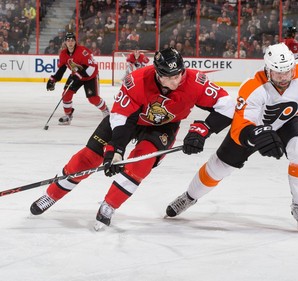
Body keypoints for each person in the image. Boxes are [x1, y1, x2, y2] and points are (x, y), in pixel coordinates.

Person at [164, 43, 298, 233]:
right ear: (267, 70)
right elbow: (240, 127)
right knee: (219, 167)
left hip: (288, 121)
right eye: (277, 74)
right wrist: (256, 136)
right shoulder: (252, 87)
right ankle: (189, 196)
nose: (284, 78)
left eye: (287, 72)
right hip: (254, 128)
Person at [30, 47, 235, 230]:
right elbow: (121, 119)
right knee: (87, 159)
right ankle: (51, 195)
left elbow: (226, 105)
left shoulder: (194, 81)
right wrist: (116, 150)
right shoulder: (137, 81)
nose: (177, 80)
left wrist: (203, 130)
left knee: (140, 165)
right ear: (158, 74)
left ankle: (109, 204)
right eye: (170, 77)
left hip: (163, 126)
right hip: (129, 120)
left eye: (179, 74)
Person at [46, 32, 109, 125]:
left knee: (93, 99)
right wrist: (53, 79)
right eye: (68, 40)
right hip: (76, 75)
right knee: (66, 94)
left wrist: (79, 76)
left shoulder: (83, 51)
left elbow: (91, 68)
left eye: (72, 40)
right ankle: (68, 116)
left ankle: (106, 112)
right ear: (65, 42)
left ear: (75, 42)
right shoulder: (63, 54)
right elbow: (62, 69)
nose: (70, 42)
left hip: (90, 76)